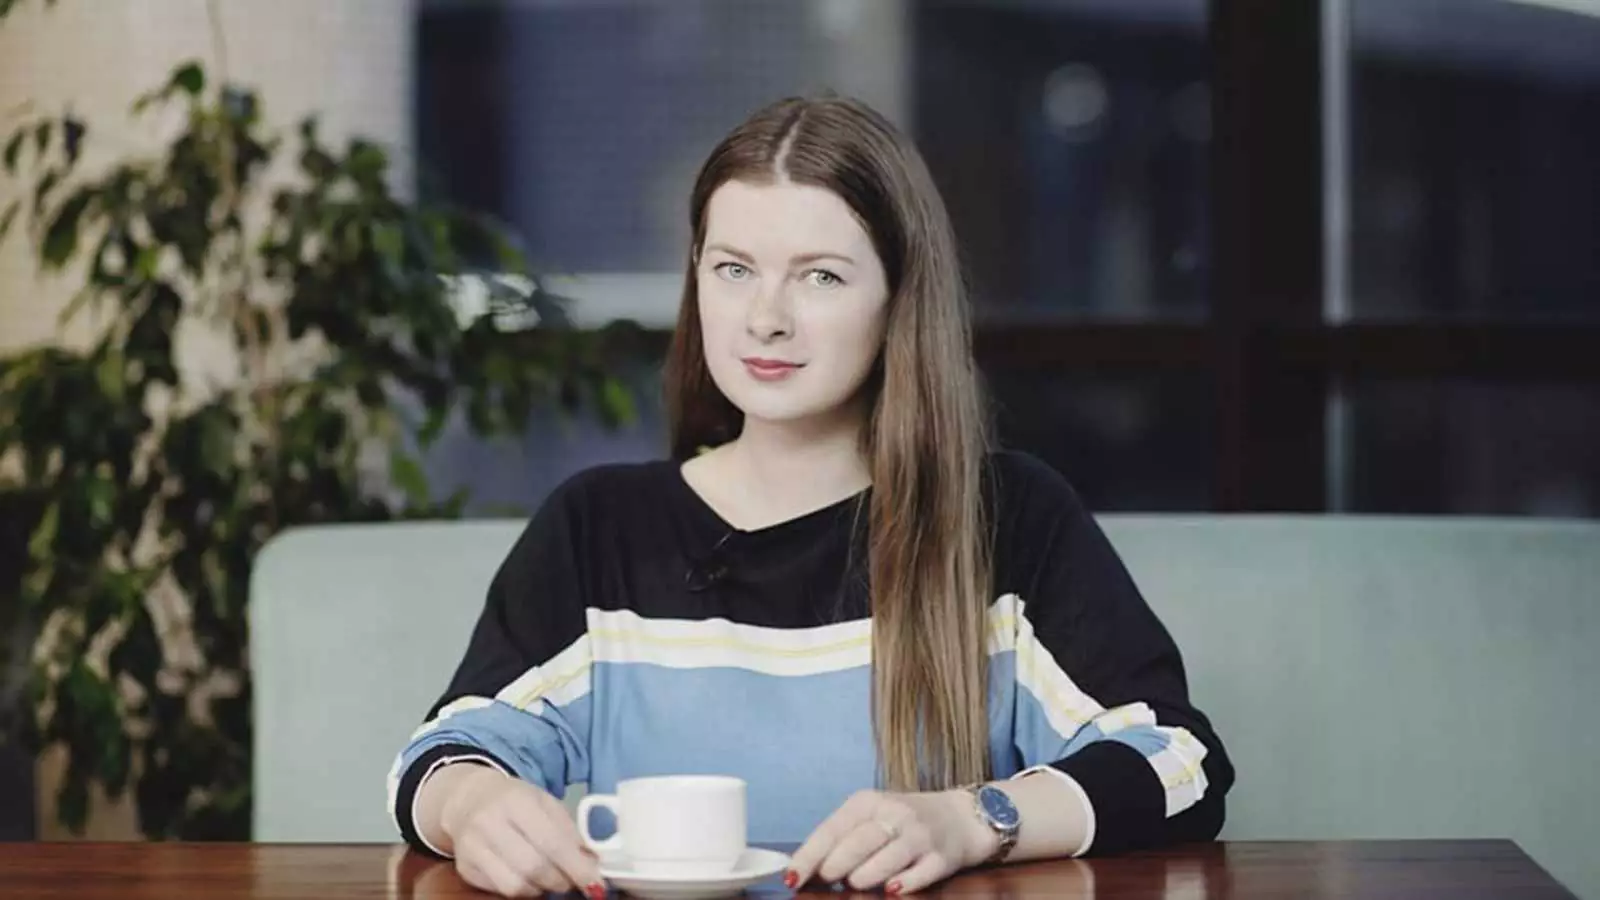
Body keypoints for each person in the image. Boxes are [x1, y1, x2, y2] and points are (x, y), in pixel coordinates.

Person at [386, 93, 1234, 899]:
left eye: (821, 277)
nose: (766, 318)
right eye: (733, 269)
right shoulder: (600, 526)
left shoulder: (1009, 518)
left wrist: (975, 819)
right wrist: (473, 804)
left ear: (898, 299)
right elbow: (446, 753)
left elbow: (1180, 764)